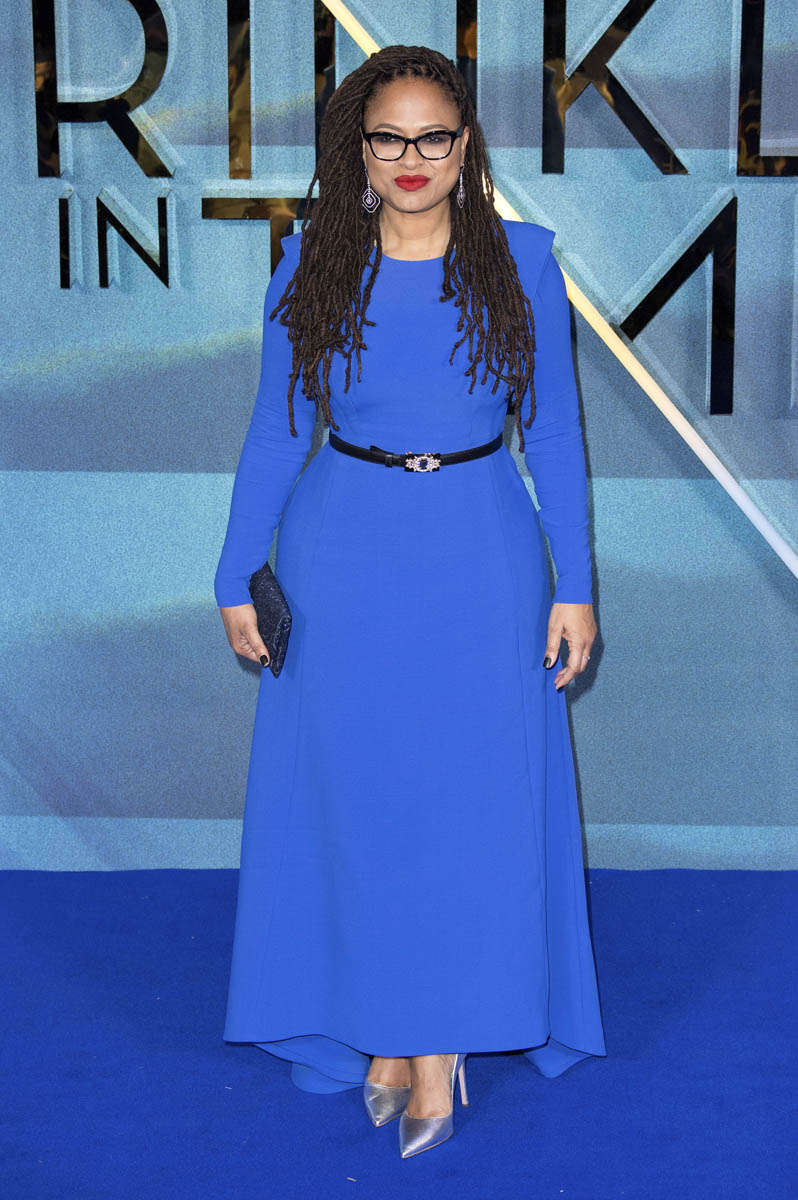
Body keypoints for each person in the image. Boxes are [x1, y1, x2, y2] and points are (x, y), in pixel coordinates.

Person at [214, 44, 606, 1159]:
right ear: (358, 150)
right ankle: (381, 1028)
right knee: (359, 799)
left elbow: (557, 437)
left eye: (435, 136)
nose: (412, 158)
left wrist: (575, 585)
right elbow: (276, 430)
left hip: (483, 556)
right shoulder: (312, 265)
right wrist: (235, 572)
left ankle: (438, 1040)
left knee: (468, 805)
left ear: (466, 144)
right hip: (341, 554)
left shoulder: (523, 264)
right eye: (388, 138)